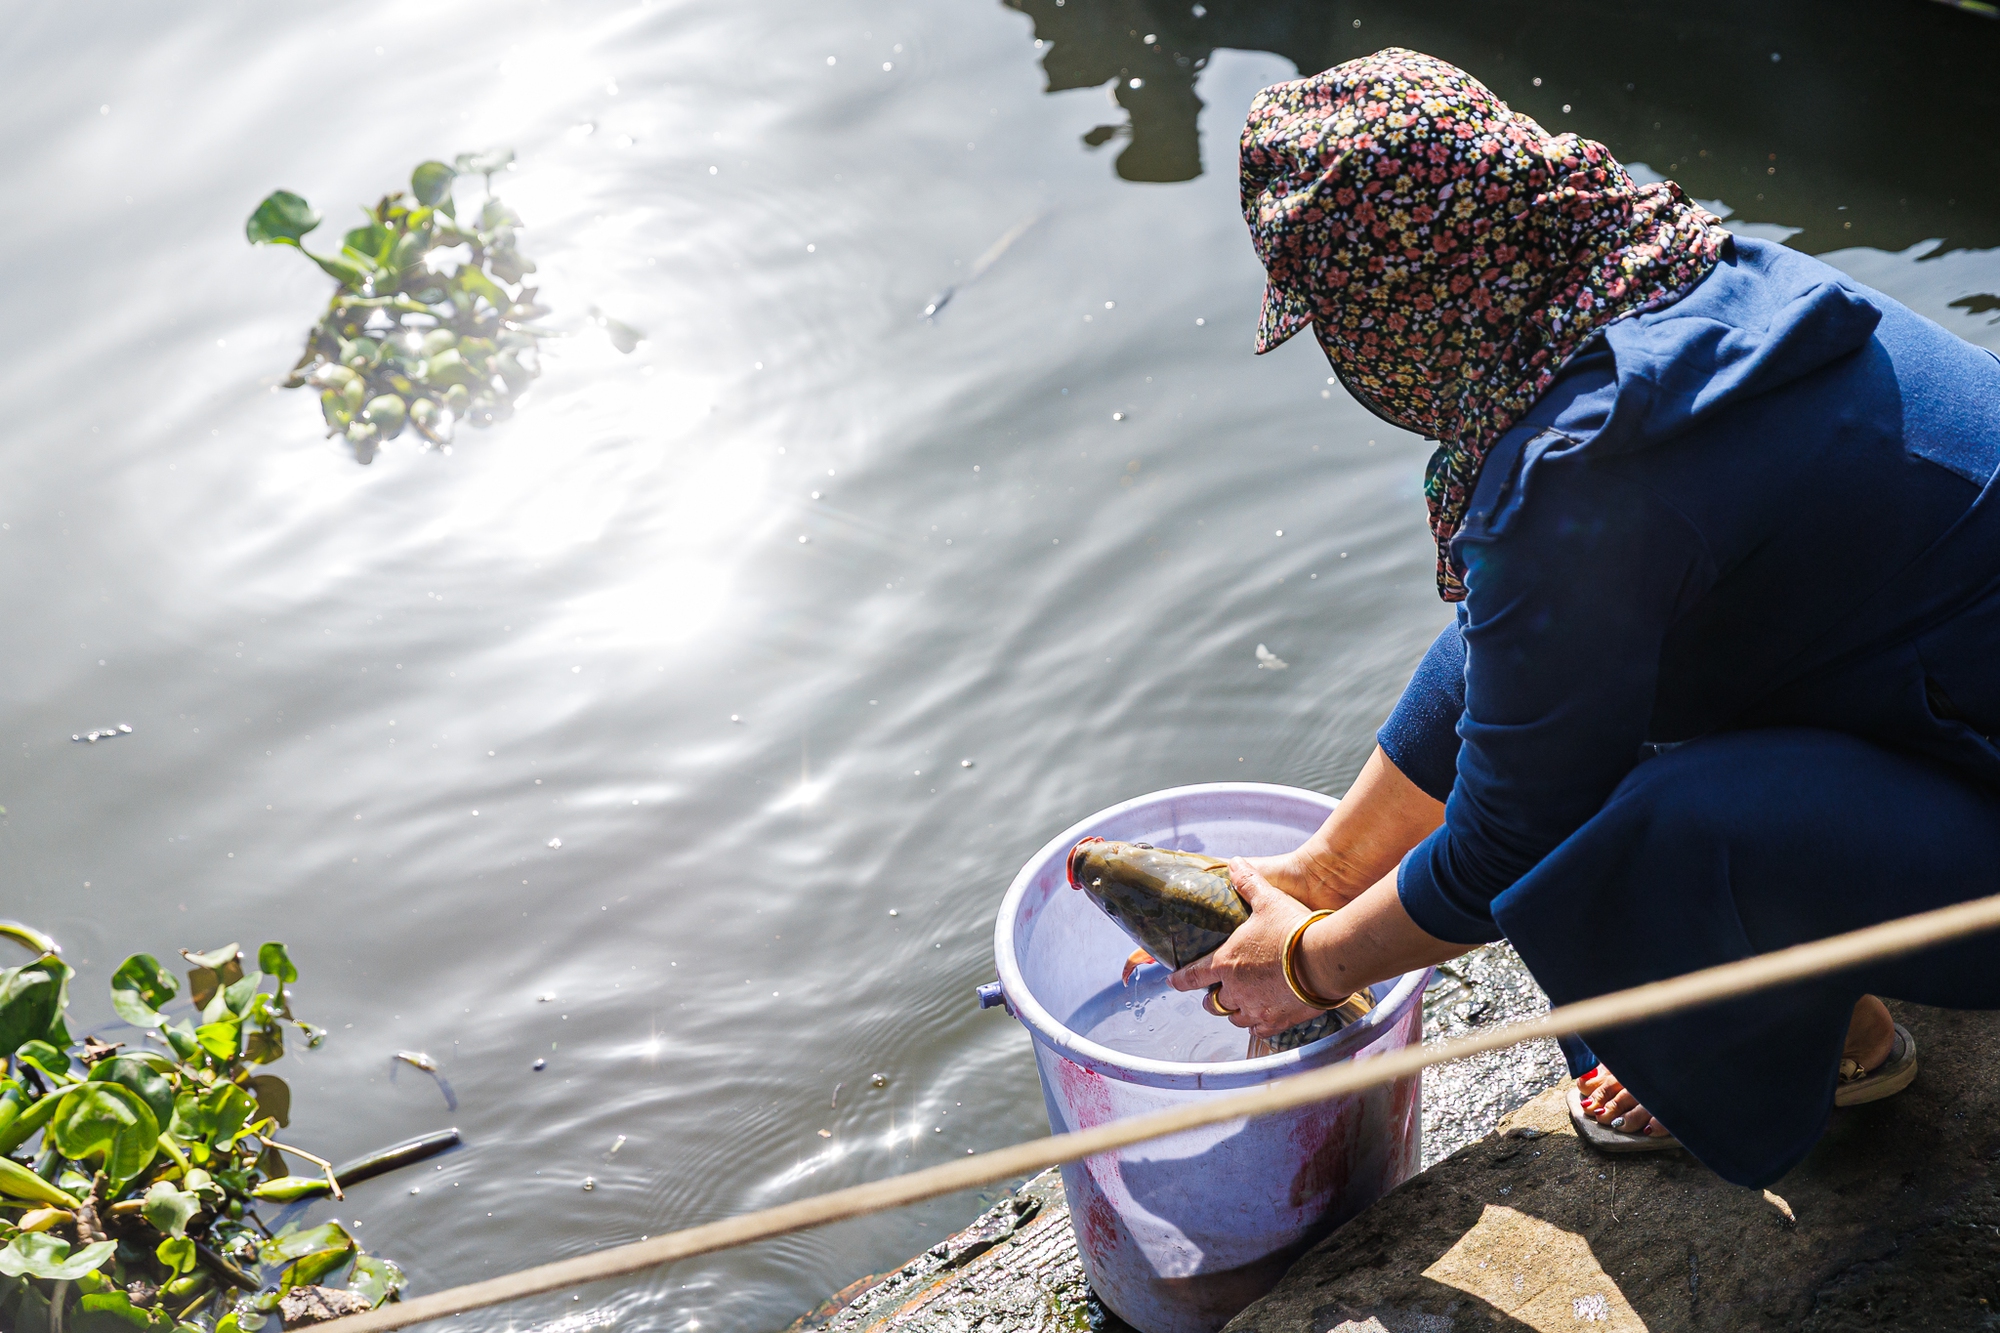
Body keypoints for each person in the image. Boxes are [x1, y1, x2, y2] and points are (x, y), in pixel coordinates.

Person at [1166, 47, 2000, 1188]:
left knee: (1632, 838)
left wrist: (1307, 967)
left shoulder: (1574, 472)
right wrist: (1318, 876)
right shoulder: (1673, 276)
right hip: (1955, 699)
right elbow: (1518, 650)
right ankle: (1805, 966)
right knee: (1579, 682)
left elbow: (1512, 835)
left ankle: (1835, 1050)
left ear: (1395, 316)